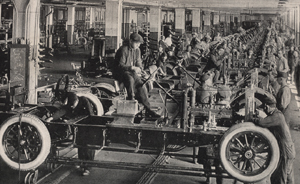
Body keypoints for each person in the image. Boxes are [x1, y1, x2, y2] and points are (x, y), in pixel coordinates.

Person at [112, 32, 161, 118]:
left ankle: (148, 109)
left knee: (141, 84)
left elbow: (139, 63)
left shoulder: (137, 50)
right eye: (137, 43)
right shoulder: (123, 50)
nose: (138, 45)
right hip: (120, 72)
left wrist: (141, 70)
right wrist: (132, 68)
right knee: (130, 80)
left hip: (131, 72)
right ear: (131, 41)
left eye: (139, 43)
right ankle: (131, 102)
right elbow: (120, 65)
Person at [46, 92, 96, 176]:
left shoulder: (84, 100)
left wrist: (73, 120)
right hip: (79, 127)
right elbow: (63, 110)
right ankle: (82, 164)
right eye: (71, 105)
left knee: (88, 147)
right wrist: (51, 118)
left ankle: (87, 168)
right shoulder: (71, 103)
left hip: (89, 127)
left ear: (77, 100)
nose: (72, 107)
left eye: (73, 105)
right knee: (80, 145)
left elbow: (90, 115)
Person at [256, 98, 295, 184]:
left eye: (264, 108)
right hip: (289, 149)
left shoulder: (277, 117)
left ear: (267, 106)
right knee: (288, 175)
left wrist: (254, 118)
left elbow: (261, 123)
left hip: (285, 150)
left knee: (280, 175)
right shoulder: (277, 114)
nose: (264, 110)